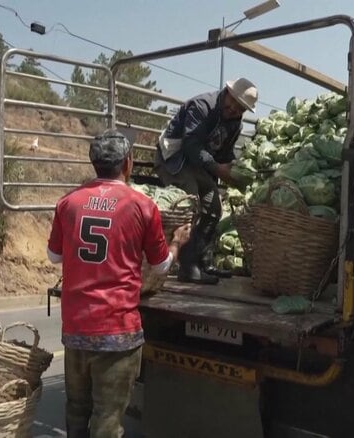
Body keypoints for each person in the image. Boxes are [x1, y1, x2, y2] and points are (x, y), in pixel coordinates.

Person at [46, 129, 191, 438]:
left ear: (94, 163)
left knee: (76, 411)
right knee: (108, 419)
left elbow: (54, 256)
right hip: (117, 332)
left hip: (76, 328)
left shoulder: (68, 202)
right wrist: (177, 242)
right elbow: (161, 265)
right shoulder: (143, 206)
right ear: (128, 163)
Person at [155, 77, 258, 285]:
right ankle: (186, 266)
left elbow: (224, 154)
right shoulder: (202, 106)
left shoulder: (235, 123)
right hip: (175, 158)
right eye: (233, 102)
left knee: (213, 208)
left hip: (199, 164)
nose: (234, 109)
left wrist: (236, 171)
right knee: (191, 203)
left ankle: (202, 261)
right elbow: (191, 146)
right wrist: (219, 169)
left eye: (240, 108)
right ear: (227, 93)